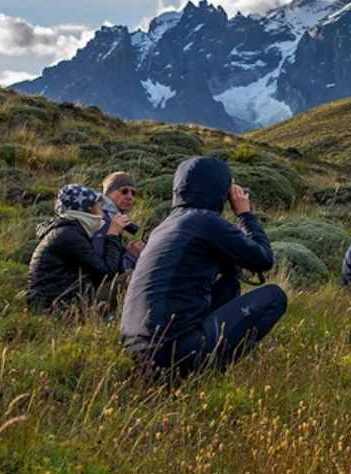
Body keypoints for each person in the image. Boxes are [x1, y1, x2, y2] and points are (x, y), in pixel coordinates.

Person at [119, 156, 287, 375]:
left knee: (229, 285)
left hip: (137, 351)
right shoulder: (206, 221)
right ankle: (206, 372)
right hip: (173, 353)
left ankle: (195, 359)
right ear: (220, 190)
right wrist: (245, 214)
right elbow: (263, 259)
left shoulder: (165, 226)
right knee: (274, 296)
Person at [27, 184, 130, 312]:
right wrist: (113, 235)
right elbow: (107, 273)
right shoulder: (69, 235)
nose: (102, 210)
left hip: (61, 299)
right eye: (98, 204)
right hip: (55, 306)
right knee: (131, 278)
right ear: (87, 208)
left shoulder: (70, 231)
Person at [91, 171, 144, 271]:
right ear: (108, 193)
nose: (130, 197)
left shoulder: (112, 218)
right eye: (124, 191)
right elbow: (105, 269)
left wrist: (127, 250)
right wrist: (131, 256)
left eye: (133, 193)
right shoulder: (99, 220)